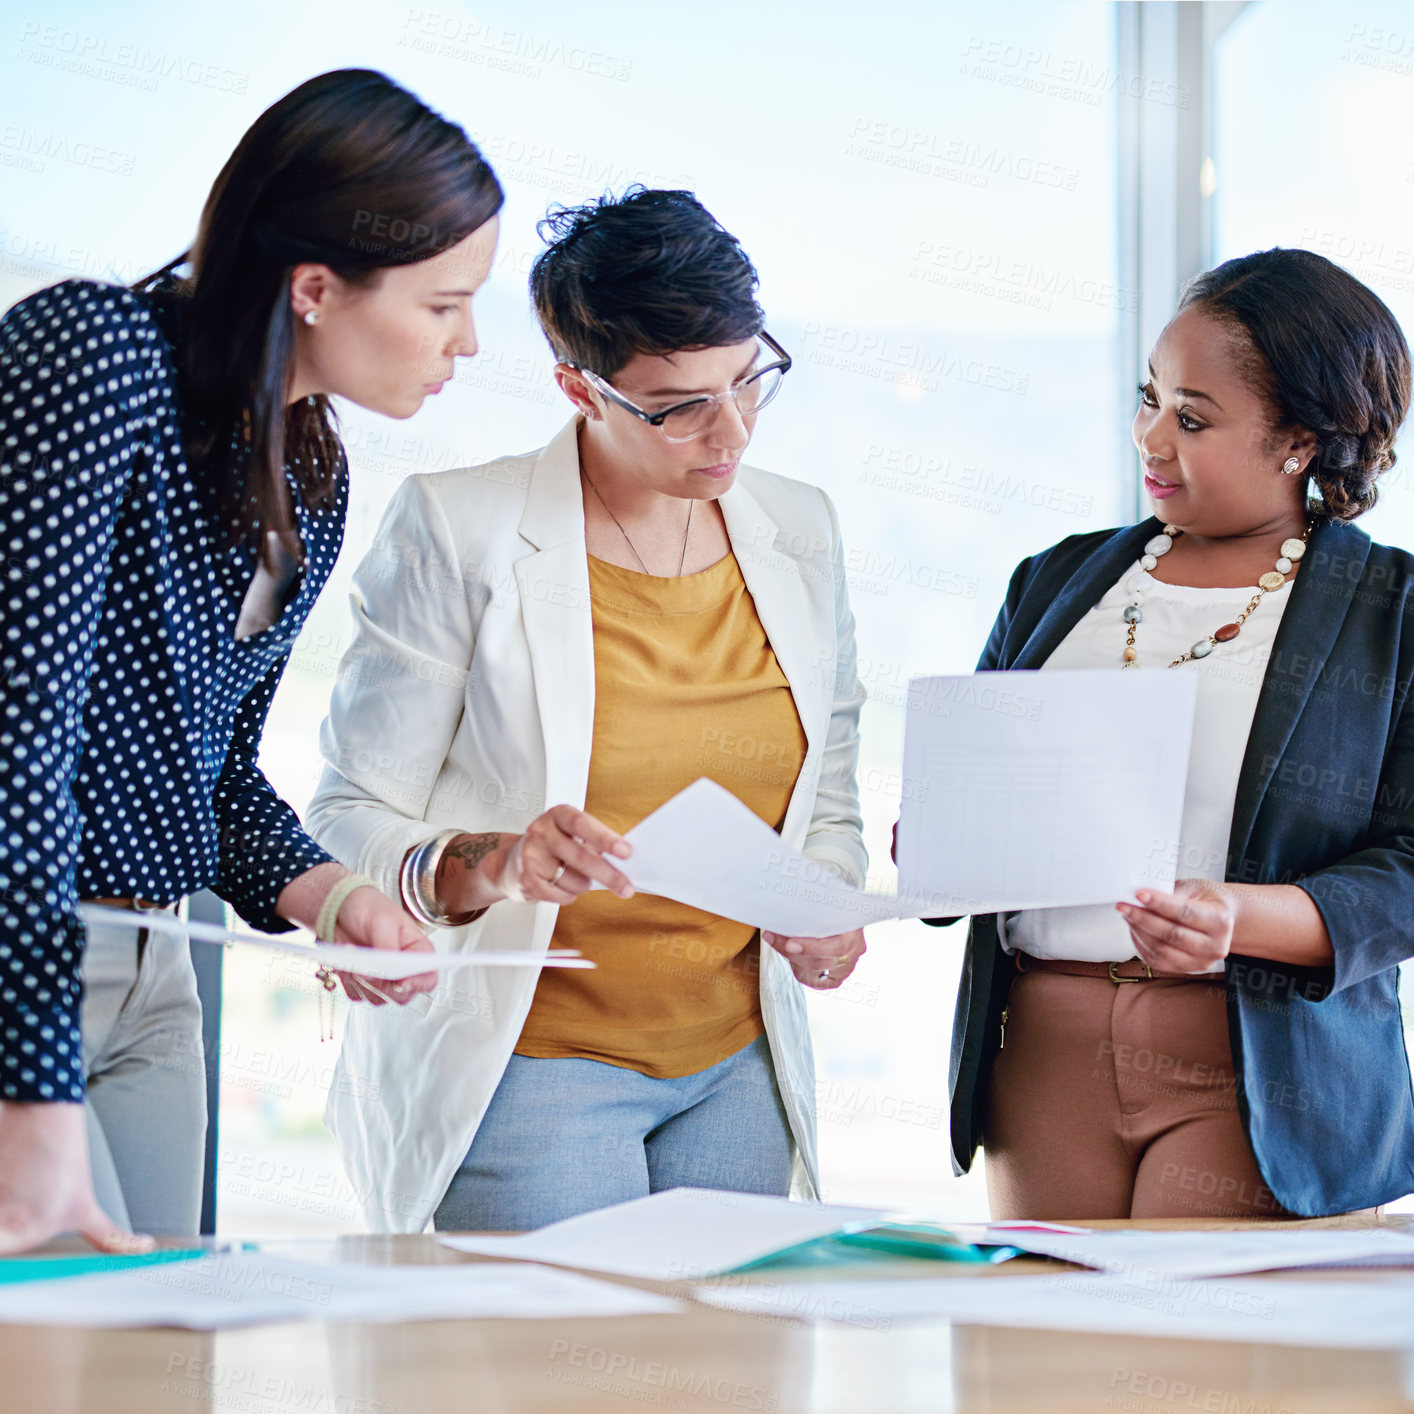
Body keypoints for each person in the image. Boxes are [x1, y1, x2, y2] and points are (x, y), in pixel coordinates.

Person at [0, 68, 503, 1250]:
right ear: (317, 286)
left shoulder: (309, 480)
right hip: (25, 960)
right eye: (443, 304)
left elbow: (211, 773)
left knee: (150, 1364)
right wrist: (29, 1099)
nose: (467, 343)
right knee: (55, 1354)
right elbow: (13, 745)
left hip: (157, 970)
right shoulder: (97, 354)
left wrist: (337, 897)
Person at [307, 188, 869, 1233]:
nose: (729, 430)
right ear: (580, 388)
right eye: (680, 404)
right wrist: (496, 858)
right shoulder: (460, 526)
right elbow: (346, 815)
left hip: (737, 1065)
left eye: (749, 382)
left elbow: (824, 781)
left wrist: (827, 897)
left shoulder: (799, 525)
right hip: (529, 1065)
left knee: (728, 1382)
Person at [941, 247, 1414, 1220]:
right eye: (1147, 398)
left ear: (1297, 441)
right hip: (1040, 1049)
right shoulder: (1052, 581)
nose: (1149, 438)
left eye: (1191, 418)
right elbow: (981, 789)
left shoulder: (1391, 612)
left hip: (1259, 1065)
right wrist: (947, 839)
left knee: (1212, 1371)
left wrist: (1244, 917)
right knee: (1039, 1363)